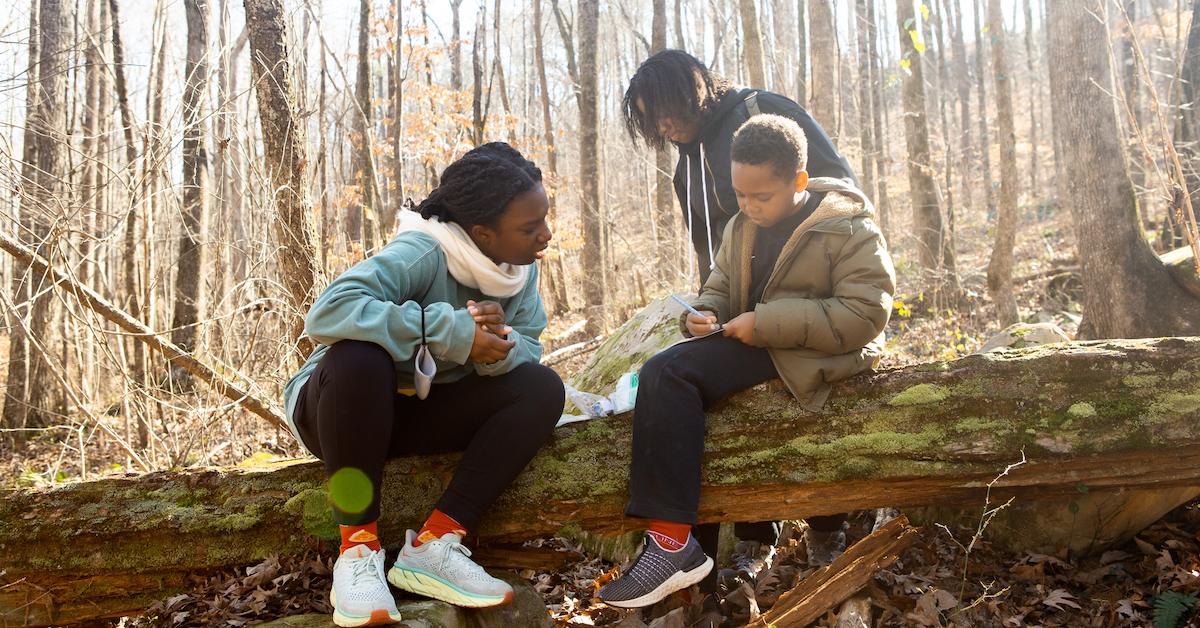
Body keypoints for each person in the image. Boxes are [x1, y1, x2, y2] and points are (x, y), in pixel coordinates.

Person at [597, 114, 896, 610]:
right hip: (761, 343)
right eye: (740, 195)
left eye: (763, 196)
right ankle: (683, 564)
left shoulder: (848, 228)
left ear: (798, 182)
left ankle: (673, 546)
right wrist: (707, 312)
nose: (750, 207)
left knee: (672, 375)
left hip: (815, 355)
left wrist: (766, 322)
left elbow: (865, 315)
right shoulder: (740, 227)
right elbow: (719, 285)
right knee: (665, 373)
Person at [282, 142, 565, 627]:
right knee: (358, 357)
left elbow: (531, 346)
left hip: (416, 415)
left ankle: (435, 546)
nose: (545, 234)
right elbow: (328, 313)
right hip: (342, 410)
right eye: (529, 227)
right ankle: (358, 553)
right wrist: (449, 331)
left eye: (544, 218)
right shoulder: (422, 251)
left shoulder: (520, 269)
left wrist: (498, 346)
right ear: (482, 233)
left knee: (541, 387)